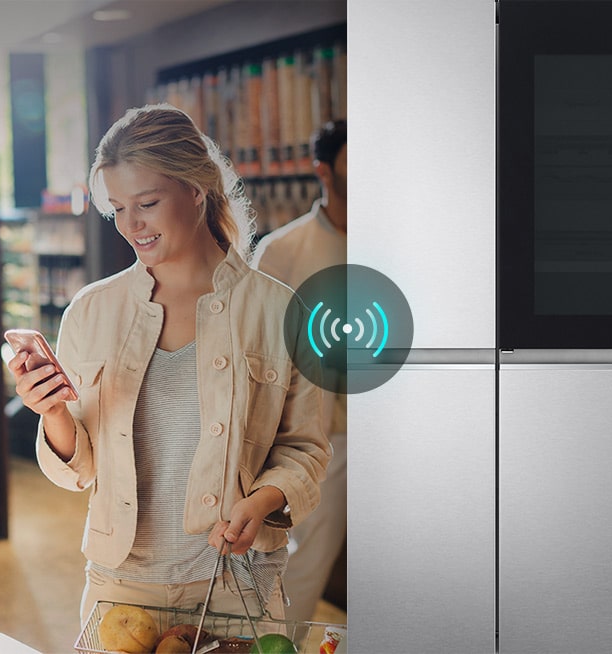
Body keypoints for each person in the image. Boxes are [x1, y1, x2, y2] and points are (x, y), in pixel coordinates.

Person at [7, 103, 331, 625]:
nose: (132, 226)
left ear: (195, 189)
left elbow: (306, 450)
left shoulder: (279, 310)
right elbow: (80, 470)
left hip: (236, 587)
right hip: (120, 586)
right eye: (117, 209)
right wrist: (52, 413)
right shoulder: (91, 311)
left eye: (148, 203)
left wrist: (262, 501)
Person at [251, 119, 347, 623]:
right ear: (324, 172)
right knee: (304, 564)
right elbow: (257, 347)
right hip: (323, 440)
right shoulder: (283, 251)